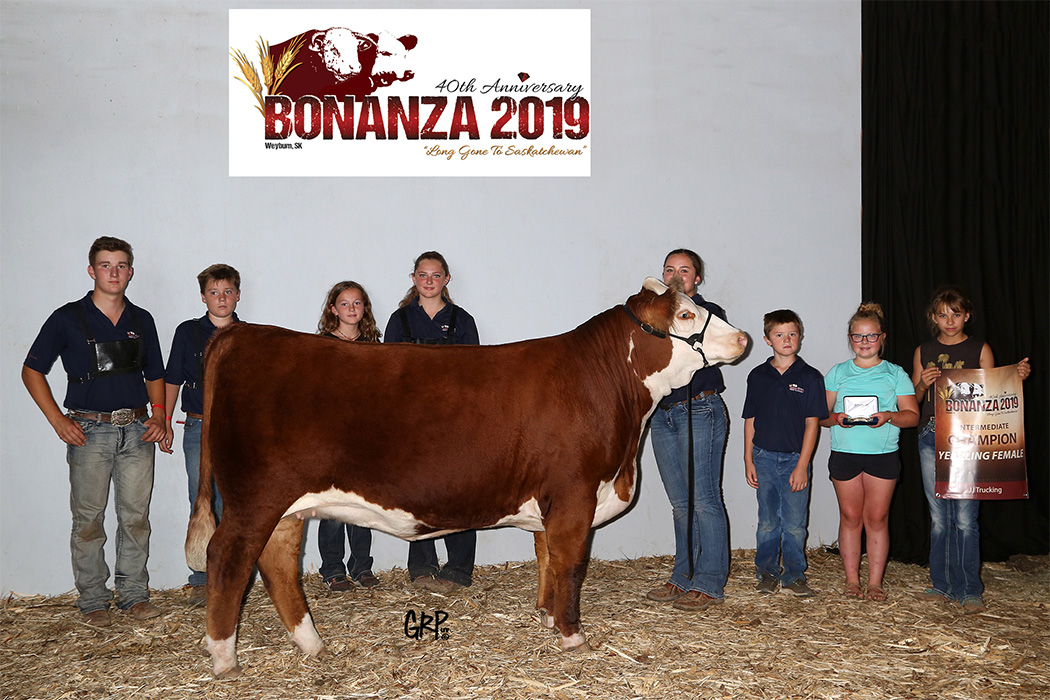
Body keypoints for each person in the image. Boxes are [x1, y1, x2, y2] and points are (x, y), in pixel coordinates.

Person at [21, 237, 167, 626]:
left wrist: (160, 417)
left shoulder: (142, 319)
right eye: (106, 265)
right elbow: (31, 370)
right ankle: (93, 600)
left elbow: (155, 373)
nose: (114, 272)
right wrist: (58, 420)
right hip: (89, 431)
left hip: (136, 430)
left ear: (131, 272)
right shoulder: (67, 317)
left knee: (136, 517)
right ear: (92, 271)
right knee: (88, 520)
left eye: (121, 265)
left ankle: (133, 595)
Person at [911, 286, 1030, 613]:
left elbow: (994, 395)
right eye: (943, 314)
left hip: (969, 438)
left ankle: (969, 590)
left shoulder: (980, 348)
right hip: (931, 435)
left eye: (956, 314)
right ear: (933, 317)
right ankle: (941, 585)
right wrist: (922, 383)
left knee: (965, 518)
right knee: (939, 518)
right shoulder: (924, 350)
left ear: (967, 316)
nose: (950, 321)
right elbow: (913, 400)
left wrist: (1016, 377)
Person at [384, 251, 479, 594]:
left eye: (435, 275)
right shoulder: (400, 321)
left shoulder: (462, 320)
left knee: (460, 494)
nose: (429, 281)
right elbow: (389, 372)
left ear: (446, 280)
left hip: (455, 421)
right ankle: (422, 567)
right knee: (417, 494)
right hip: (413, 422)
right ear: (413, 279)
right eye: (422, 275)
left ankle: (458, 569)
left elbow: (475, 374)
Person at [646, 249, 731, 612]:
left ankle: (710, 581)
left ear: (697, 279)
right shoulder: (651, 316)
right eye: (670, 269)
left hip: (700, 408)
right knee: (681, 504)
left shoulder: (709, 315)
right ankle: (684, 575)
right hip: (663, 413)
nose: (677, 275)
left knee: (705, 500)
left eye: (685, 269)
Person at [821, 302, 919, 602]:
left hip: (883, 455)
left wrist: (889, 416)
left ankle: (874, 583)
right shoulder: (837, 373)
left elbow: (912, 416)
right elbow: (821, 416)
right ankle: (852, 581)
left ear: (883, 338)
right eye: (858, 336)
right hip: (845, 453)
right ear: (850, 338)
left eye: (871, 336)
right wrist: (836, 419)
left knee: (877, 519)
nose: (864, 342)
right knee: (850, 517)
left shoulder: (895, 374)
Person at [161, 263, 242, 605]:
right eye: (214, 293)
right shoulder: (187, 332)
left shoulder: (248, 336)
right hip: (197, 426)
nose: (221, 299)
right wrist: (163, 419)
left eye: (227, 292)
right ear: (203, 296)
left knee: (235, 501)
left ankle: (232, 577)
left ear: (238, 295)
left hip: (237, 431)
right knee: (201, 497)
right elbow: (172, 380)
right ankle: (201, 578)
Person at [742, 310, 828, 597]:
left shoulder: (811, 377)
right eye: (779, 335)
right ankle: (766, 572)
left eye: (792, 333)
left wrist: (802, 465)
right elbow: (750, 419)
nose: (786, 339)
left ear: (800, 337)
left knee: (793, 524)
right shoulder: (757, 376)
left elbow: (812, 423)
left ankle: (794, 575)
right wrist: (748, 459)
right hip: (764, 457)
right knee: (767, 521)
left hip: (795, 459)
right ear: (768, 340)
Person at [314, 281, 382, 591]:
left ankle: (362, 567)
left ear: (365, 308)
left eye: (357, 303)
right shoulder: (321, 346)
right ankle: (332, 569)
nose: (351, 308)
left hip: (365, 435)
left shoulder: (374, 345)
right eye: (344, 303)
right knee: (333, 505)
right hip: (331, 435)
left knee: (361, 504)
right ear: (333, 309)